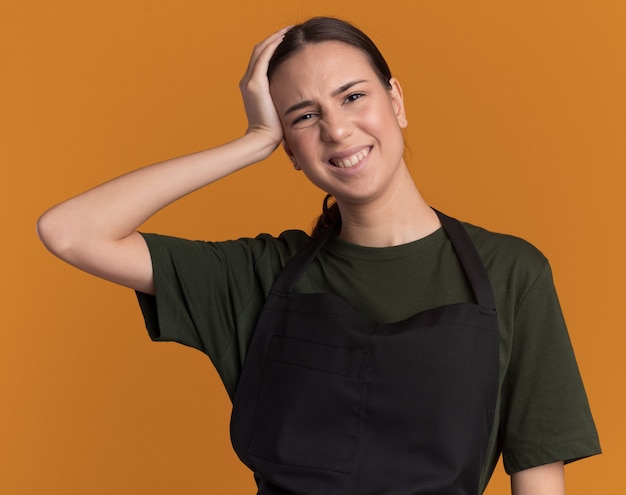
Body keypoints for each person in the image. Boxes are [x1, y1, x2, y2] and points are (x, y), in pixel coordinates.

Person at [37, 16, 600, 495]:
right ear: (289, 147)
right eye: (303, 116)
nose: (336, 129)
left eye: (353, 96)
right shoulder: (257, 276)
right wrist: (252, 140)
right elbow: (69, 231)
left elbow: (538, 476)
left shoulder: (512, 273)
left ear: (396, 101)